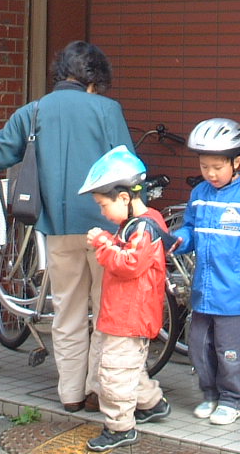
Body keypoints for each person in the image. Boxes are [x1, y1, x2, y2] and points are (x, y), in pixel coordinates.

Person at [0, 40, 133, 413]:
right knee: (105, 313)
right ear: (94, 78)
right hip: (106, 230)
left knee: (65, 311)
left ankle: (70, 394)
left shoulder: (35, 111)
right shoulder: (108, 110)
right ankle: (102, 389)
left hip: (58, 228)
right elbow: (127, 167)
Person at [170, 118, 240, 427]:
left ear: (236, 161)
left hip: (236, 293)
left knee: (230, 351)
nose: (211, 174)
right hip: (204, 290)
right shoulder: (200, 193)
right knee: (199, 347)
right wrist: (180, 240)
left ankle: (232, 400)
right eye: (204, 167)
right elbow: (189, 228)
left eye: (217, 167)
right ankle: (210, 395)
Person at [78, 146, 171, 452]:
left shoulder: (144, 229)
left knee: (115, 373)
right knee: (127, 367)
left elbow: (130, 265)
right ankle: (151, 403)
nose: (102, 212)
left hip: (128, 318)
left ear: (123, 197)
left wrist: (103, 243)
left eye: (103, 205)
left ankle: (120, 428)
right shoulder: (134, 224)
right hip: (121, 315)